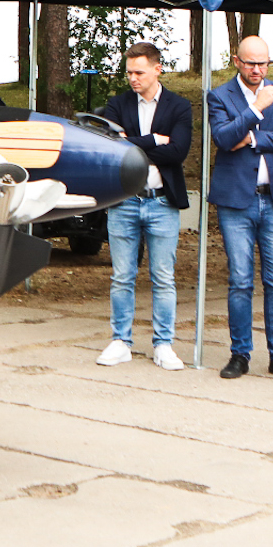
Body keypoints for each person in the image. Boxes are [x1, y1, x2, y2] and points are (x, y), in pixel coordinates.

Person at [207, 34, 273, 380]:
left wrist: (251, 138)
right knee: (240, 281)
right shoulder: (219, 95)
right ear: (237, 61)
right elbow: (222, 138)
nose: (257, 70)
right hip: (236, 201)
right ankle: (240, 354)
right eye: (250, 63)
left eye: (263, 63)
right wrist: (255, 109)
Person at [97, 42, 194, 371]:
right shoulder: (118, 104)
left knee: (163, 277)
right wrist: (155, 140)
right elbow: (112, 147)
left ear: (157, 69)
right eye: (129, 72)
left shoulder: (178, 106)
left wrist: (133, 143)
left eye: (139, 72)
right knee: (122, 276)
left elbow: (178, 152)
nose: (133, 78)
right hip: (124, 200)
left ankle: (163, 344)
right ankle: (120, 341)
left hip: (162, 202)